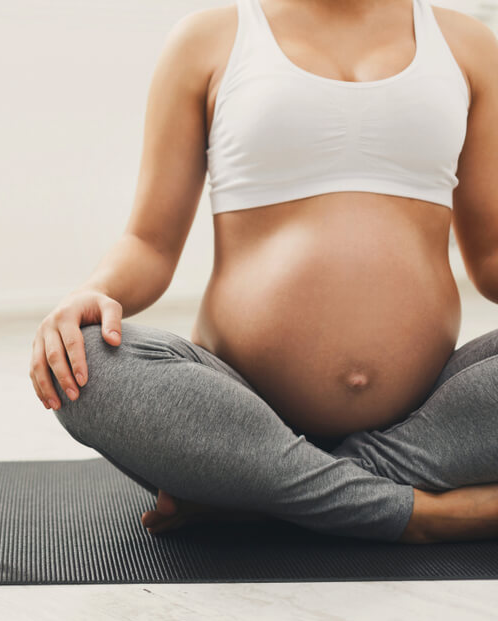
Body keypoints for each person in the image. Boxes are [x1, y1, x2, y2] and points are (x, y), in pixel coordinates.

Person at [29, 0, 498, 544]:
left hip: (423, 415)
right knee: (83, 362)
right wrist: (95, 291)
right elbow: (148, 245)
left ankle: (259, 492)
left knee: (234, 470)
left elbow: (490, 259)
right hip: (239, 406)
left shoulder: (469, 45)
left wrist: (239, 480)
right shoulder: (209, 39)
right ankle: (423, 515)